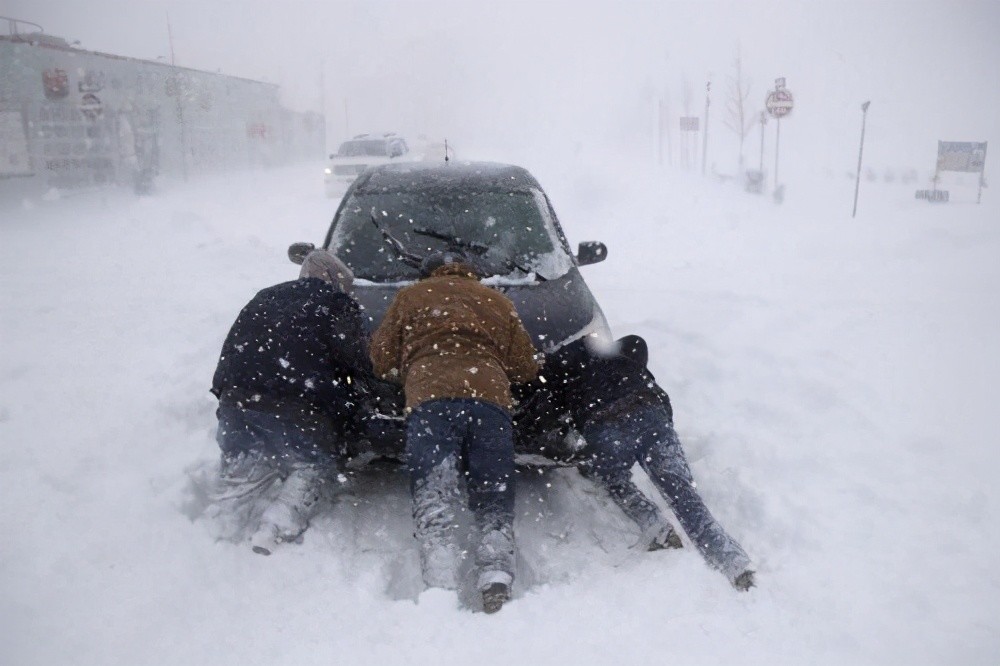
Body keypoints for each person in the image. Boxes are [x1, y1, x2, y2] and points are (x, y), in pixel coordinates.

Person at [369, 251, 540, 613]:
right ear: (470, 274)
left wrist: (407, 371)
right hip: (489, 397)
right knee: (493, 487)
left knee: (435, 490)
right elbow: (524, 366)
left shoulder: (410, 297)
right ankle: (495, 574)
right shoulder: (497, 300)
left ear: (428, 274)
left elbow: (381, 356)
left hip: (430, 397)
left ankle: (441, 581)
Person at [518, 335, 756, 591]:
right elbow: (637, 344)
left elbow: (541, 419)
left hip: (604, 422)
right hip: (649, 408)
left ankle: (656, 527)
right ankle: (735, 564)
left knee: (610, 478)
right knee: (685, 497)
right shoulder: (611, 351)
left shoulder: (551, 376)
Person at [211, 250, 374, 555]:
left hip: (238, 399)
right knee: (312, 464)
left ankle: (221, 528)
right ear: (338, 282)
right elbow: (357, 361)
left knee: (243, 464)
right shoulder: (337, 304)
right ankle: (275, 526)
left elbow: (231, 348)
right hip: (298, 404)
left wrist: (226, 396)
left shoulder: (265, 296)